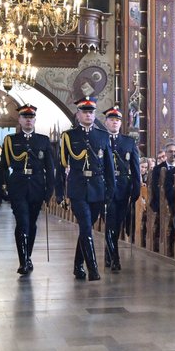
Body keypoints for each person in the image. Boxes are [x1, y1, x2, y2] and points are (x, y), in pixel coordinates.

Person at [56, 96, 115, 281]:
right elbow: (61, 167)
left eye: (91, 112)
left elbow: (109, 167)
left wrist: (110, 191)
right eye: (85, 112)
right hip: (78, 188)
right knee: (86, 226)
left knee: (86, 228)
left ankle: (77, 266)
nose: (88, 115)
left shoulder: (103, 136)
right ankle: (93, 269)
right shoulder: (69, 136)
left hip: (97, 188)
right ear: (78, 114)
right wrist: (60, 193)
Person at [0, 104, 55, 275]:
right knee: (22, 222)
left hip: (37, 186)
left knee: (31, 224)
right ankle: (23, 261)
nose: (28, 120)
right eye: (25, 117)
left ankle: (28, 256)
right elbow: (3, 166)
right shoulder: (11, 140)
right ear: (20, 120)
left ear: (35, 120)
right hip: (18, 186)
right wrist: (3, 187)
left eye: (31, 117)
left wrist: (49, 191)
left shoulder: (43, 140)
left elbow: (50, 168)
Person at [101, 107, 140, 272]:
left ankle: (108, 251)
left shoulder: (128, 142)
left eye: (117, 120)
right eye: (111, 120)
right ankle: (115, 257)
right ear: (106, 122)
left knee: (118, 224)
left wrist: (136, 188)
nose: (115, 123)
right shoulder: (100, 139)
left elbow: (135, 167)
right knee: (110, 222)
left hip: (123, 187)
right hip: (105, 187)